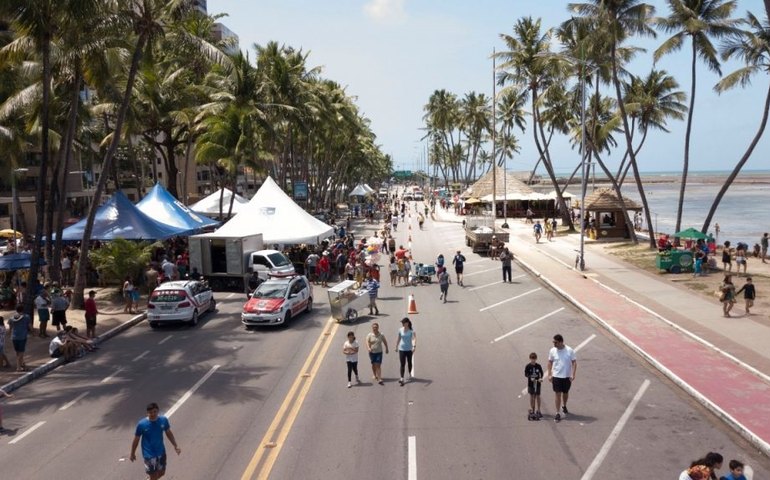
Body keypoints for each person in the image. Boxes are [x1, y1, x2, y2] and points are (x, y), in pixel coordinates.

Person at [130, 402, 181, 480]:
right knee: (153, 476)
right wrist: (132, 453)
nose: (153, 414)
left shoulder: (163, 420)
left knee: (162, 473)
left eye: (155, 412)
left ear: (158, 411)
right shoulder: (142, 424)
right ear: (147, 413)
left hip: (161, 452)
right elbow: (136, 440)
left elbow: (168, 433)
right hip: (149, 454)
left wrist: (175, 445)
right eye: (150, 412)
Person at [546, 333, 576, 422]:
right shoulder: (552, 351)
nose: (554, 344)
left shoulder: (569, 350)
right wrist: (549, 374)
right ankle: (557, 412)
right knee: (557, 394)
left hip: (566, 376)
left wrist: (573, 374)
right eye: (553, 342)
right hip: (556, 376)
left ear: (561, 342)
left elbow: (574, 362)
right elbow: (549, 362)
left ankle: (564, 405)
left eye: (555, 342)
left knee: (565, 393)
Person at [9, 305, 32, 372]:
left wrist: (10, 333)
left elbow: (10, 327)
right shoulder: (26, 317)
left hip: (14, 336)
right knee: (21, 352)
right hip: (22, 336)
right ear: (23, 309)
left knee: (18, 352)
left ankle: (23, 365)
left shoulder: (12, 317)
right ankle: (18, 367)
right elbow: (30, 325)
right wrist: (33, 332)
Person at [396, 317, 416, 386]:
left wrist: (414, 346)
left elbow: (413, 339)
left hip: (409, 349)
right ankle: (402, 378)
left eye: (403, 322)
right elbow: (399, 338)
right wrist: (396, 346)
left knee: (409, 362)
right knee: (402, 364)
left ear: (407, 323)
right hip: (401, 349)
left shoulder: (411, 331)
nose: (402, 324)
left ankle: (410, 373)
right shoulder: (400, 330)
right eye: (402, 323)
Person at [525, 352, 544, 420]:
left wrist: (541, 378)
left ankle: (538, 410)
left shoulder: (538, 366)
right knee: (532, 396)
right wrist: (530, 377)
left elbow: (541, 373)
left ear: (536, 359)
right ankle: (532, 409)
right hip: (531, 384)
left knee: (538, 396)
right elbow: (526, 374)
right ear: (530, 358)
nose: (533, 360)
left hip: (537, 383)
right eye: (532, 359)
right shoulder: (528, 366)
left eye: (534, 359)